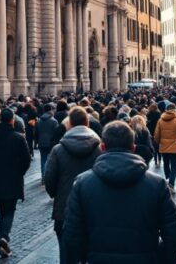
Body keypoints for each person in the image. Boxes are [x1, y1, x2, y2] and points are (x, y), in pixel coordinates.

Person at [64, 121, 176, 263]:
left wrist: (86, 257)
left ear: (102, 147)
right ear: (133, 148)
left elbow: (71, 234)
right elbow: (174, 236)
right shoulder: (157, 184)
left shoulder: (82, 183)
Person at [44, 107, 101, 264]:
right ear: (87, 123)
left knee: (66, 254)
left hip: (64, 208)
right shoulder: (98, 149)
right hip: (92, 208)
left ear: (69, 124)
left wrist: (56, 194)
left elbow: (49, 179)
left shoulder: (58, 150)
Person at [0, 108, 31, 259]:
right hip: (12, 180)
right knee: (9, 210)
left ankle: (1, 236)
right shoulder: (18, 138)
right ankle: (3, 236)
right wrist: (19, 172)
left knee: (2, 209)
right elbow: (26, 160)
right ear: (12, 120)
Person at [153, 103, 176, 191]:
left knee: (165, 163)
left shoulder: (160, 120)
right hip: (174, 146)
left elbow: (156, 134)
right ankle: (171, 184)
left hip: (164, 146)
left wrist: (157, 142)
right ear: (175, 110)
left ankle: (168, 177)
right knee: (173, 166)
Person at [35, 104, 58, 182]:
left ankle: (43, 177)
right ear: (50, 110)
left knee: (43, 160)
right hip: (51, 143)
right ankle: (49, 177)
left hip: (41, 143)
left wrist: (37, 142)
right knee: (51, 161)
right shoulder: (54, 121)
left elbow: (36, 133)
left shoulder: (39, 121)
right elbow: (56, 133)